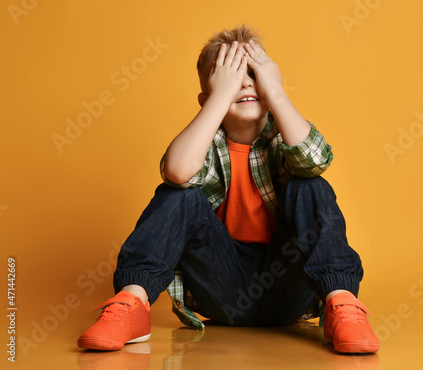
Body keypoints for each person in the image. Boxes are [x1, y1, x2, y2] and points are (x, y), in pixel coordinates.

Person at [77, 25, 379, 354]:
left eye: (252, 73)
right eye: (230, 76)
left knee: (310, 184)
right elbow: (177, 171)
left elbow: (315, 160)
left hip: (286, 285)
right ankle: (132, 303)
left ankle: (342, 304)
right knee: (178, 193)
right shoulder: (204, 143)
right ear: (208, 98)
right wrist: (220, 98)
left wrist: (276, 93)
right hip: (222, 289)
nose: (244, 82)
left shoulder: (284, 135)